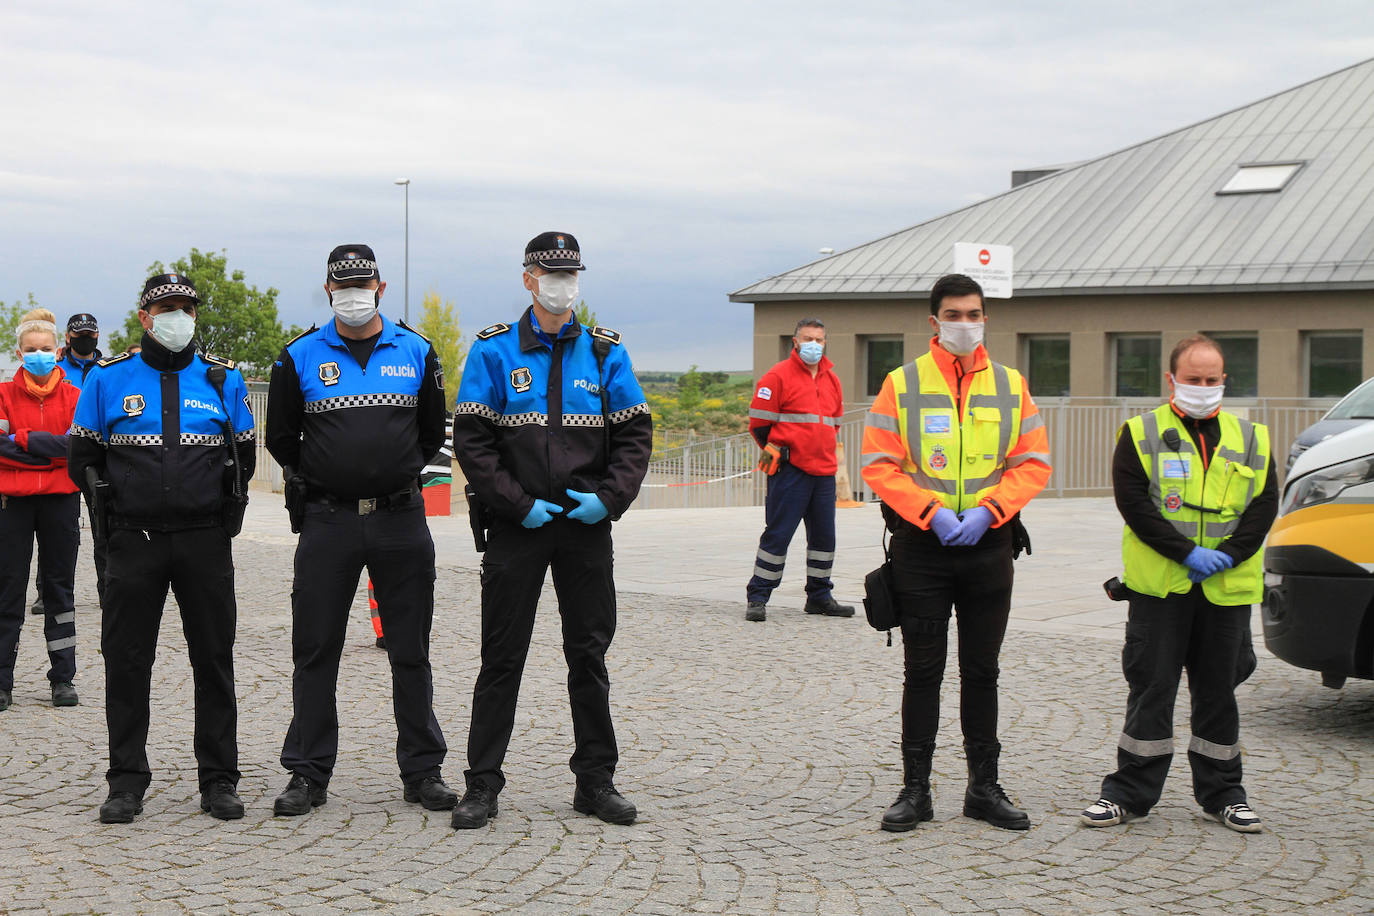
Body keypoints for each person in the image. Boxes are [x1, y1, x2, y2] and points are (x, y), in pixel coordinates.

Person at [450, 231, 652, 829]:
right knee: (501, 657)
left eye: (571, 273)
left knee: (588, 656)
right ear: (528, 278)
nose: (562, 283)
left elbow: (635, 436)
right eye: (550, 272)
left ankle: (595, 781)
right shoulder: (494, 352)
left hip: (586, 528)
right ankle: (482, 786)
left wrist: (608, 501)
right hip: (519, 527)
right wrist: (516, 505)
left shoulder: (606, 351)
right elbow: (474, 443)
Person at [266, 243, 454, 818]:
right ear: (327, 290)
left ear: (380, 289)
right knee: (315, 648)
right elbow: (280, 438)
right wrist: (331, 473)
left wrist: (386, 469)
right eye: (342, 286)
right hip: (328, 520)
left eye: (362, 284)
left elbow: (430, 435)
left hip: (400, 518)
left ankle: (423, 770)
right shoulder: (297, 356)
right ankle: (307, 772)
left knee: (410, 650)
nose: (353, 295)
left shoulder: (417, 350)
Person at [861, 273, 1051, 833]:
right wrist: (932, 513)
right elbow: (878, 463)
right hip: (922, 546)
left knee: (982, 670)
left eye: (974, 314)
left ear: (985, 318)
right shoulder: (903, 382)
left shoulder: (1012, 385)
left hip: (988, 543)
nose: (965, 324)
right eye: (954, 314)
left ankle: (983, 789)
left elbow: (1033, 463)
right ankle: (915, 791)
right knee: (922, 671)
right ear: (934, 321)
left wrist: (991, 512)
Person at [68, 273, 256, 823]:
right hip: (133, 539)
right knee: (126, 663)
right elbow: (83, 459)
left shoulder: (224, 380)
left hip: (203, 541)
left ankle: (219, 779)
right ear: (145, 316)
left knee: (214, 661)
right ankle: (126, 781)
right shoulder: (106, 380)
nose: (177, 316)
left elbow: (243, 459)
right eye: (166, 307)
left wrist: (222, 514)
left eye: (186, 307)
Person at [1080, 335, 1276, 834]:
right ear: (1172, 380)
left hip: (1224, 588)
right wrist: (1187, 552)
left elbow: (1262, 508)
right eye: (1193, 380)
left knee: (1218, 695)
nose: (1204, 388)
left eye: (1212, 381)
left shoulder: (1252, 437)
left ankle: (1224, 795)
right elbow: (1134, 502)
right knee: (1151, 690)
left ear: (1224, 381)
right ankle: (1127, 794)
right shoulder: (1141, 432)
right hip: (1161, 588)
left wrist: (1226, 556)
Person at [743, 318, 854, 622]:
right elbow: (759, 424)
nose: (814, 345)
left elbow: (833, 424)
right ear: (795, 342)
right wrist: (779, 452)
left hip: (824, 473)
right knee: (778, 536)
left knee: (824, 539)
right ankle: (758, 596)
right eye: (808, 339)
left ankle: (819, 596)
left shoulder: (832, 379)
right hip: (790, 471)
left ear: (825, 342)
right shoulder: (777, 376)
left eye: (819, 340)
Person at [0, 309, 83, 712]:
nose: (39, 355)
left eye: (46, 349)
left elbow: (76, 448)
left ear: (58, 350)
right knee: (8, 592)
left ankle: (62, 678)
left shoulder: (74, 396)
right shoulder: (2, 394)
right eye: (31, 350)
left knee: (58, 591)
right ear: (20, 353)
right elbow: (0, 449)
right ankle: (2, 681)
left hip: (60, 502)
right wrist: (48, 453)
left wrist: (23, 440)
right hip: (11, 504)